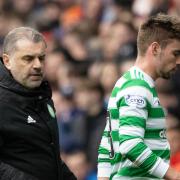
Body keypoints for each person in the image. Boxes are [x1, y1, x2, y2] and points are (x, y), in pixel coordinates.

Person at [97, 13, 180, 180]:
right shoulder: (137, 88)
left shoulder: (127, 82)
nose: (178, 61)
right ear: (155, 49)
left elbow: (107, 147)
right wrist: (174, 175)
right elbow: (131, 145)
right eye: (176, 53)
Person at [0, 27, 77, 180]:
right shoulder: (2, 103)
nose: (38, 65)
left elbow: (48, 157)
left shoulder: (42, 97)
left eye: (41, 58)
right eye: (28, 59)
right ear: (7, 61)